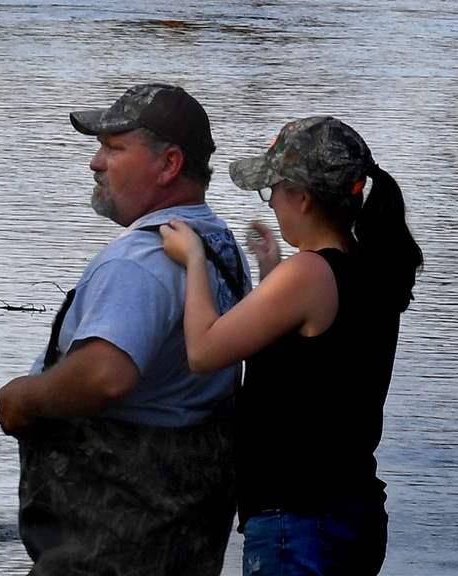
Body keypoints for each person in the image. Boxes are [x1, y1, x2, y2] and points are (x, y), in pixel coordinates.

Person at [0, 82, 251, 576]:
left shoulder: (140, 260)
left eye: (114, 148)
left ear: (169, 164)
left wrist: (24, 399)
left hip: (113, 544)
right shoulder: (218, 244)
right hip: (184, 539)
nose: (96, 162)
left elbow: (107, 374)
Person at [159, 115, 422, 576]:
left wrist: (195, 259)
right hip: (351, 511)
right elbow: (316, 359)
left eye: (273, 190)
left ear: (301, 196)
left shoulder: (307, 276)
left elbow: (202, 350)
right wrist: (270, 274)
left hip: (298, 522)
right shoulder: (370, 271)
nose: (273, 203)